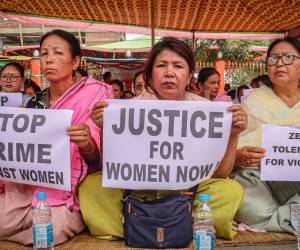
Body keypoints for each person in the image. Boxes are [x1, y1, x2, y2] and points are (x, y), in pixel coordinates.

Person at [79, 37, 247, 240]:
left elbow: (220, 174)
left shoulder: (208, 111)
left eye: (178, 66)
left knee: (231, 190)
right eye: (161, 65)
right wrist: (107, 128)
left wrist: (233, 135)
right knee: (91, 187)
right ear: (150, 75)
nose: (169, 73)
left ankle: (138, 227)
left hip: (188, 193)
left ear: (188, 76)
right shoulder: (129, 108)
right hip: (138, 193)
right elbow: (111, 168)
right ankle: (182, 228)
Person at [0, 29, 113, 246]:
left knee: (51, 229)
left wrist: (87, 142)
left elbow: (97, 159)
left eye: (58, 53)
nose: (49, 59)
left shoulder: (98, 93)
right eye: (44, 54)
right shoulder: (36, 101)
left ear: (75, 61)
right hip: (30, 184)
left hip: (68, 189)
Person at [232, 37, 300, 233]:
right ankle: (291, 216)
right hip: (258, 176)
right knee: (250, 208)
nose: (279, 63)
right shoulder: (254, 100)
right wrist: (240, 155)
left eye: (287, 57)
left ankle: (280, 218)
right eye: (273, 59)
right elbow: (234, 143)